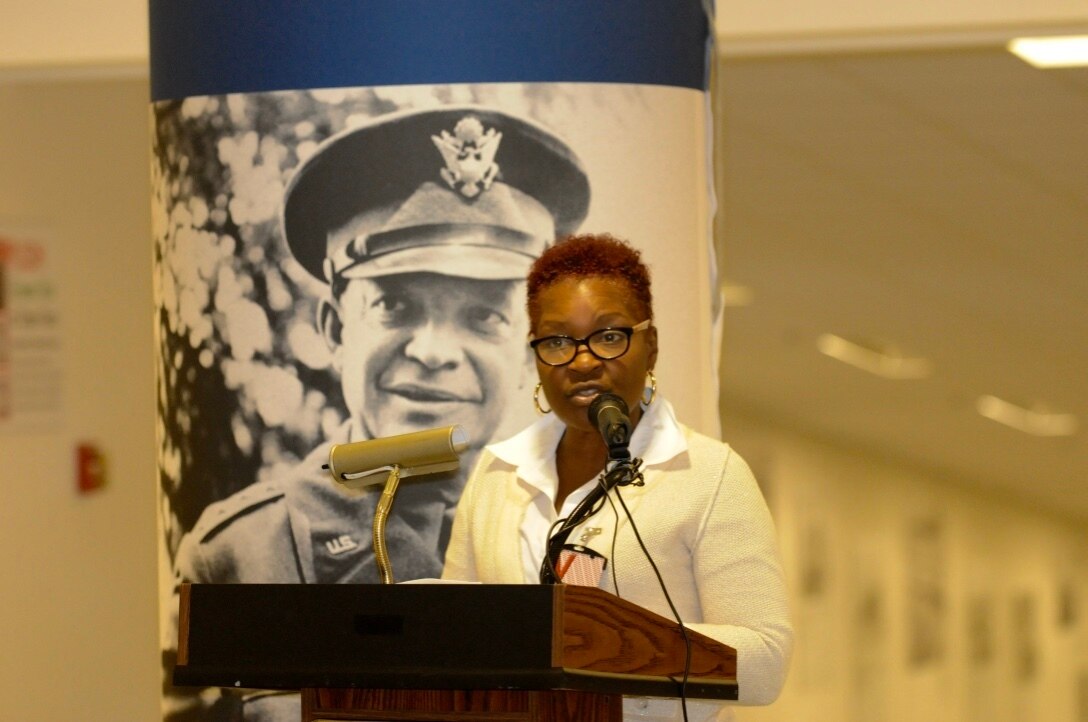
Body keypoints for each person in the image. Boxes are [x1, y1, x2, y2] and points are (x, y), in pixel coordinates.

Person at [164, 105, 590, 722]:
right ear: (335, 328)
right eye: (394, 306)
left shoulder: (582, 542)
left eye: (484, 317)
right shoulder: (239, 557)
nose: (435, 351)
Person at [442, 233, 793, 722]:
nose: (583, 361)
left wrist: (602, 645)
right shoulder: (498, 472)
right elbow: (452, 634)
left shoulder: (709, 474)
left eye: (609, 336)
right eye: (558, 341)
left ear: (650, 346)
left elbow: (763, 660)